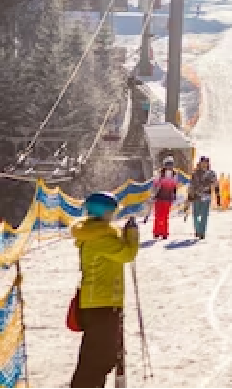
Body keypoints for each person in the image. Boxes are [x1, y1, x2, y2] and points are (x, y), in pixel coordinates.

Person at [70, 192, 139, 388]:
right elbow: (127, 253)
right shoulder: (99, 237)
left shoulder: (97, 232)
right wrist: (132, 236)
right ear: (103, 213)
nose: (114, 216)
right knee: (98, 359)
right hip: (102, 303)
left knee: (99, 355)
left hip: (100, 302)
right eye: (111, 212)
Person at [187, 156, 220, 240]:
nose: (204, 164)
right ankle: (197, 230)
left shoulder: (211, 173)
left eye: (206, 162)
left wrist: (217, 195)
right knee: (196, 215)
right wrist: (190, 195)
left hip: (206, 196)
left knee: (204, 215)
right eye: (203, 162)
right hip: (196, 196)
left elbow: (216, 184)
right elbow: (191, 185)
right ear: (200, 163)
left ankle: (202, 232)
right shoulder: (195, 173)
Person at [149, 156, 181, 239]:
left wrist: (174, 194)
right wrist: (154, 193)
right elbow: (155, 184)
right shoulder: (160, 173)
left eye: (171, 164)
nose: (169, 166)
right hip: (159, 197)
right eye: (167, 164)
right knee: (158, 215)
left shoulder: (174, 174)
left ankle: (164, 232)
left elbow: (175, 185)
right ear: (164, 165)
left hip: (168, 197)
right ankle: (157, 231)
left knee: (165, 216)